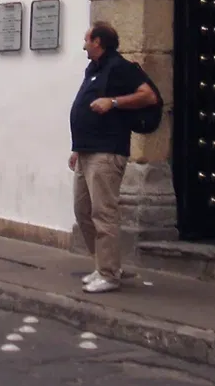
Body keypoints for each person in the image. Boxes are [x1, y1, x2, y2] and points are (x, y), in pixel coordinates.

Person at [68, 22, 160, 294]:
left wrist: (114, 102)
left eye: (87, 39)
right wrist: (77, 147)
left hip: (106, 152)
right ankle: (104, 265)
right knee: (82, 211)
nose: (84, 44)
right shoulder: (95, 69)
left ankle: (109, 274)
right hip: (86, 150)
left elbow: (149, 96)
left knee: (103, 213)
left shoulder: (119, 67)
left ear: (98, 41)